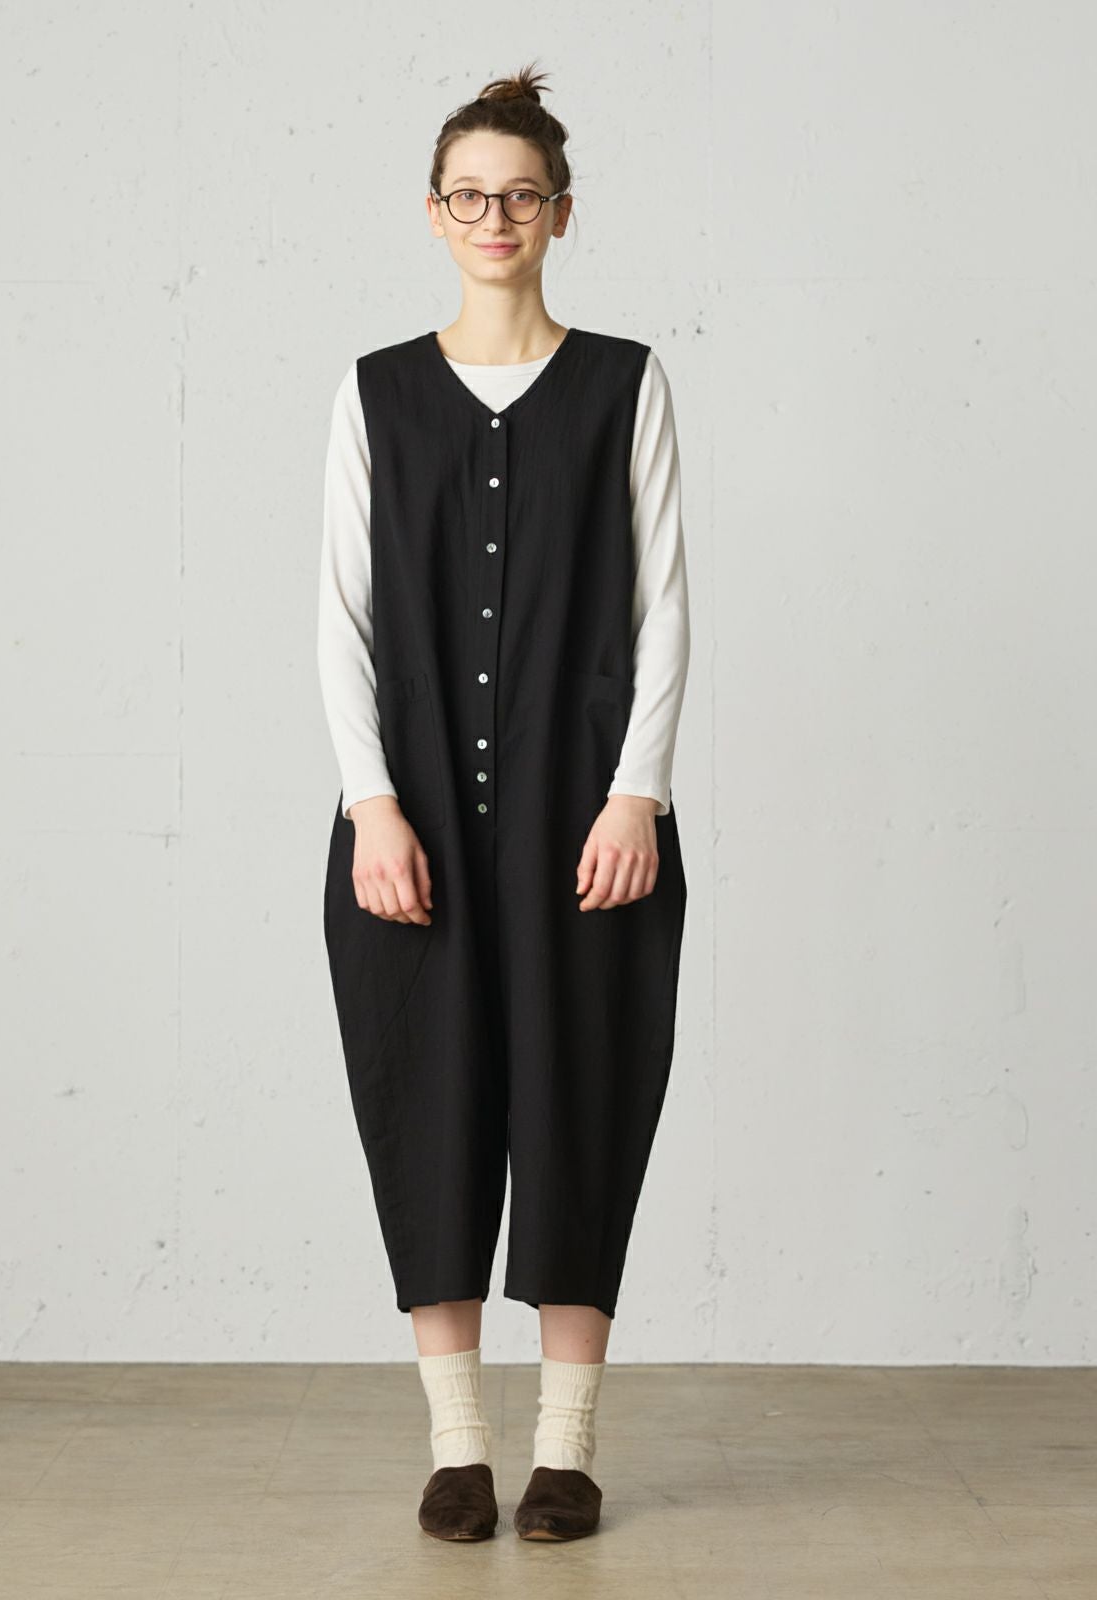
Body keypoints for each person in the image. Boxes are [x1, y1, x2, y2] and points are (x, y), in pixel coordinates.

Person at [317, 62, 690, 1543]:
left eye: (520, 196)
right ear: (433, 212)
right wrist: (371, 805)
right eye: (468, 195)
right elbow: (339, 617)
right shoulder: (375, 395)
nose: (494, 218)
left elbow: (665, 605)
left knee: (583, 1097)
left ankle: (569, 1451)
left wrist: (637, 793)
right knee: (429, 1105)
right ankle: (460, 1446)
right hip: (412, 822)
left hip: (585, 818)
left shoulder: (624, 386)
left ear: (560, 215)